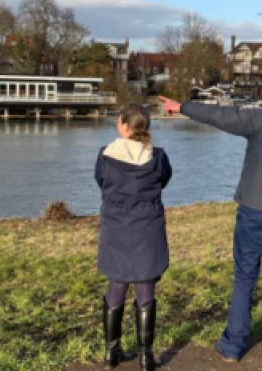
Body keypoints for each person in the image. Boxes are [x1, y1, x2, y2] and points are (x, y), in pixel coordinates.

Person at [160, 80, 262, 362]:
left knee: (245, 277)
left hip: (254, 211)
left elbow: (220, 116)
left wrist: (182, 106)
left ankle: (234, 345)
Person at [95, 102, 172, 371]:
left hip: (116, 226)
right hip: (146, 226)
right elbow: (164, 180)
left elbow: (101, 181)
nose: (117, 126)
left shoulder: (105, 155)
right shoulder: (158, 157)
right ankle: (145, 356)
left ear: (126, 127)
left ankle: (111, 353)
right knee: (145, 287)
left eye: (119, 122)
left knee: (116, 284)